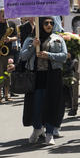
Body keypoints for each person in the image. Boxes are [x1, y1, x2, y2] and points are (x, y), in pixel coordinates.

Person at [20, 16, 67, 145]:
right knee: (36, 105)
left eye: (51, 23)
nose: (49, 25)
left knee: (51, 105)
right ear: (40, 24)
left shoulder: (58, 39)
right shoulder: (30, 39)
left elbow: (64, 56)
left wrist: (49, 55)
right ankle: (37, 129)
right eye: (46, 23)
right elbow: (23, 56)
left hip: (52, 77)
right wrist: (32, 47)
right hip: (36, 78)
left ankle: (49, 134)